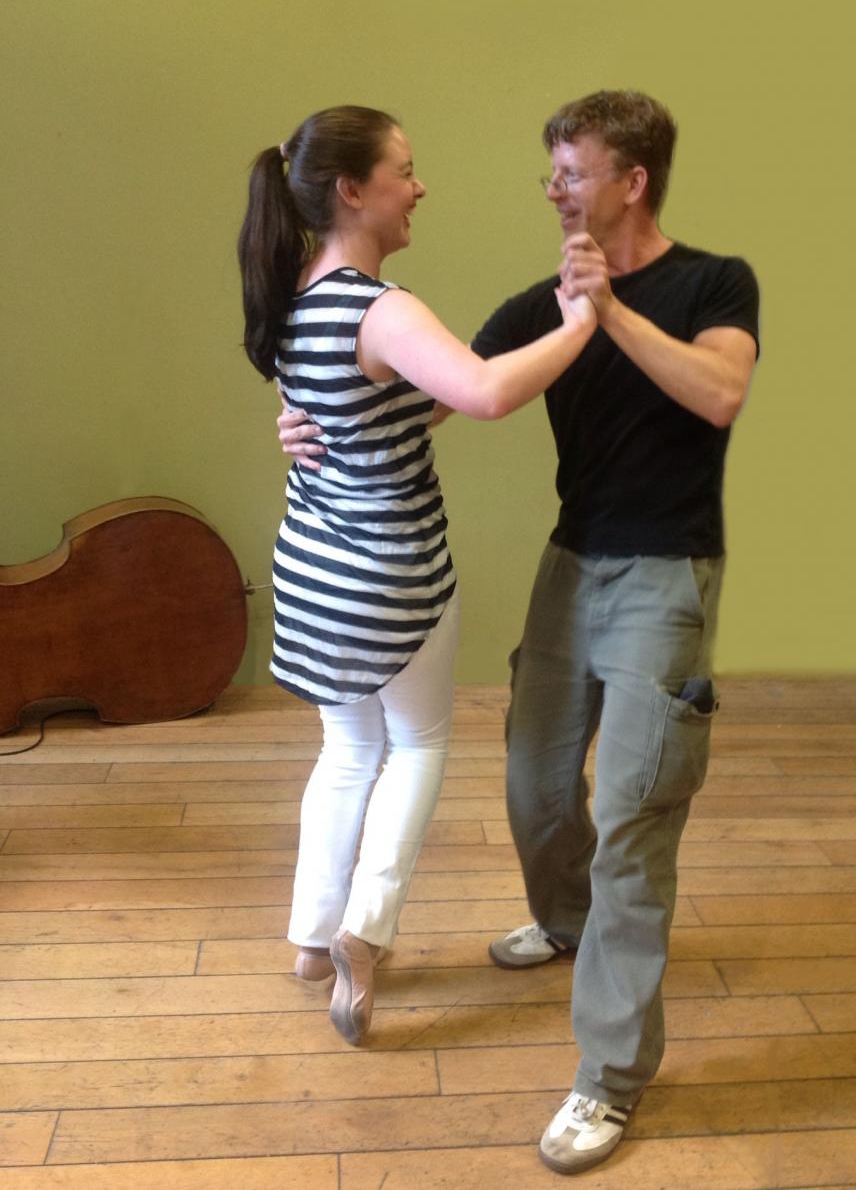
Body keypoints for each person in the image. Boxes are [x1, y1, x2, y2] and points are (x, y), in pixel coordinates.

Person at [278, 90, 759, 1172]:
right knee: (535, 787)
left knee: (632, 818)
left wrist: (606, 313)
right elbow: (428, 395)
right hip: (570, 563)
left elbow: (719, 393)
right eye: (551, 171)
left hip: (665, 572)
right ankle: (565, 920)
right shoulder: (537, 305)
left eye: (571, 173)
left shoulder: (713, 284)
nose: (552, 190)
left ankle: (608, 1078)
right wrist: (309, 421)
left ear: (631, 181)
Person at [238, 104, 596, 1048]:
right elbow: (483, 394)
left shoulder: (289, 295)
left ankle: (312, 939)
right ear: (352, 190)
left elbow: (389, 407)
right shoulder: (380, 308)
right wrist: (579, 324)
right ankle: (365, 935)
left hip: (311, 571)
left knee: (346, 750)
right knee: (419, 745)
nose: (419, 186)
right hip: (391, 573)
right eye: (405, 170)